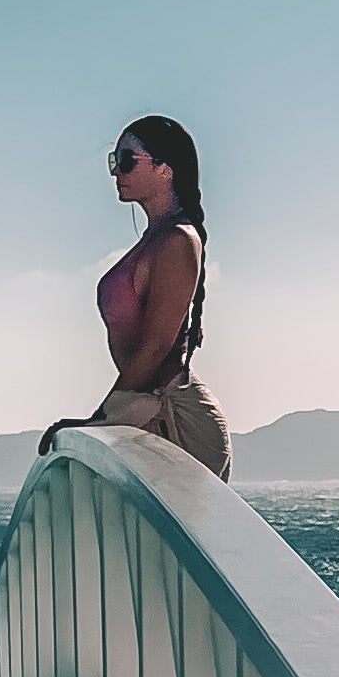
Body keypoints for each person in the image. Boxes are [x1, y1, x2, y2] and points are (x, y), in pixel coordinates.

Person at [38, 116, 231, 476]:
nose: (115, 172)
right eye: (114, 161)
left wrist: (101, 419)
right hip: (148, 415)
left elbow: (158, 346)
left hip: (173, 422)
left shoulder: (176, 241)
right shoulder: (156, 239)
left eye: (126, 160)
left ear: (164, 169)